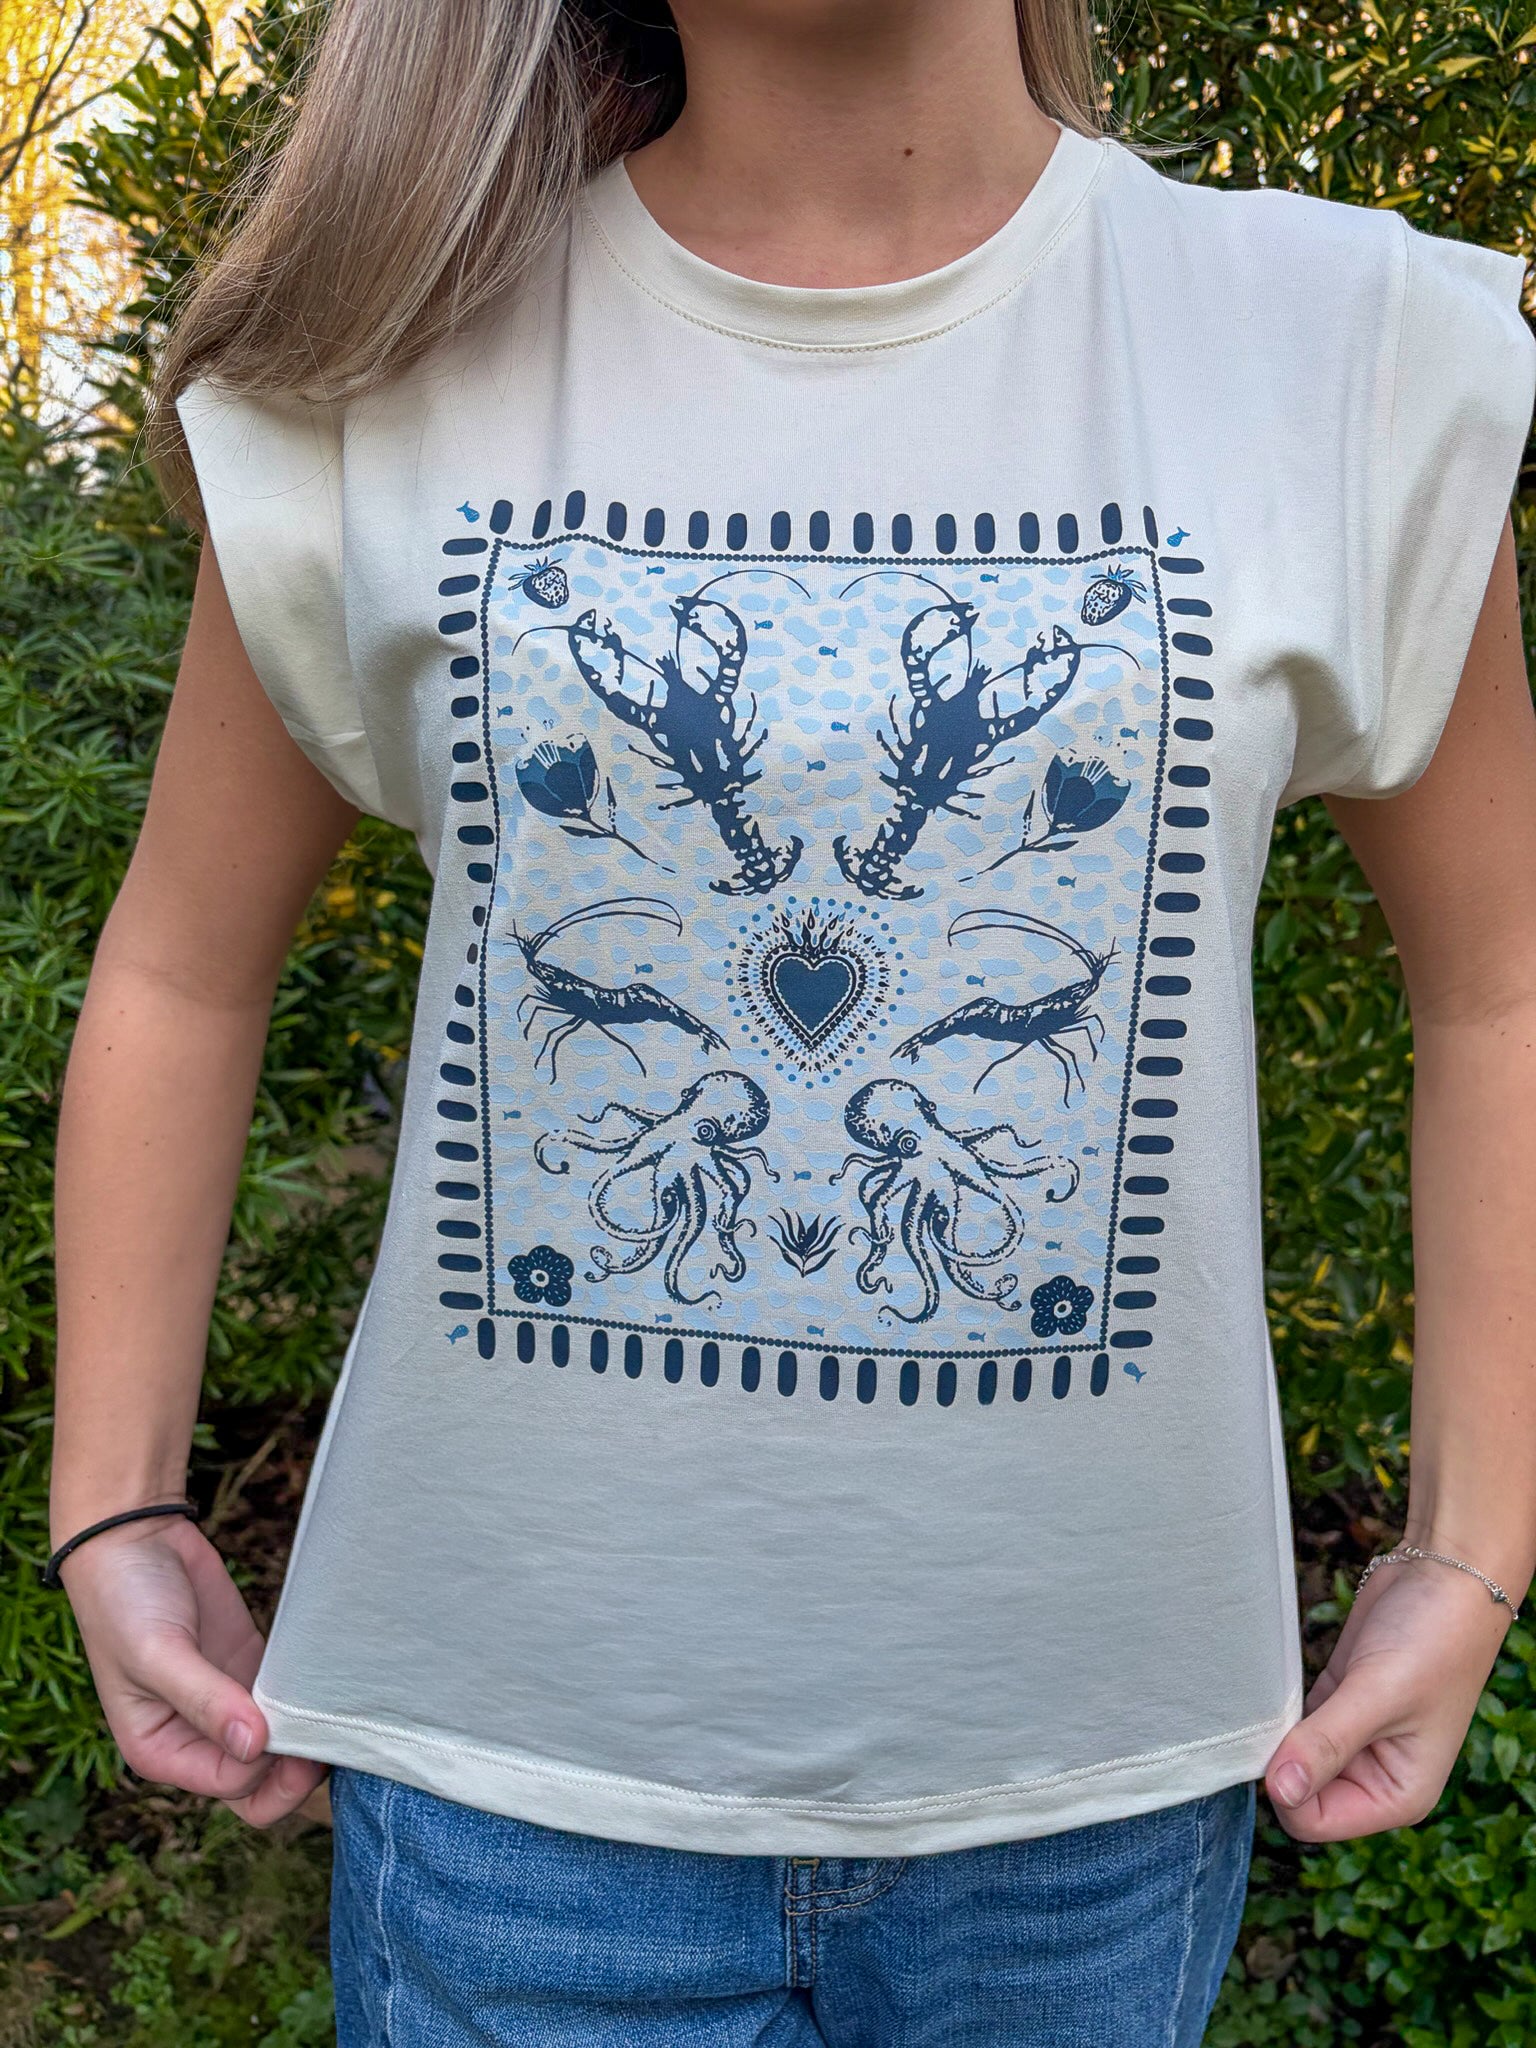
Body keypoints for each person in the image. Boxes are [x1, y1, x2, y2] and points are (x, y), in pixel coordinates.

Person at [45, 1, 1536, 2041]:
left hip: (1089, 1790)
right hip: (509, 1782)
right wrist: (115, 1496)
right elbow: (182, 964)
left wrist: (1474, 1545)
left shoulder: (1342, 351)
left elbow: (1500, 979)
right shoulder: (377, 360)